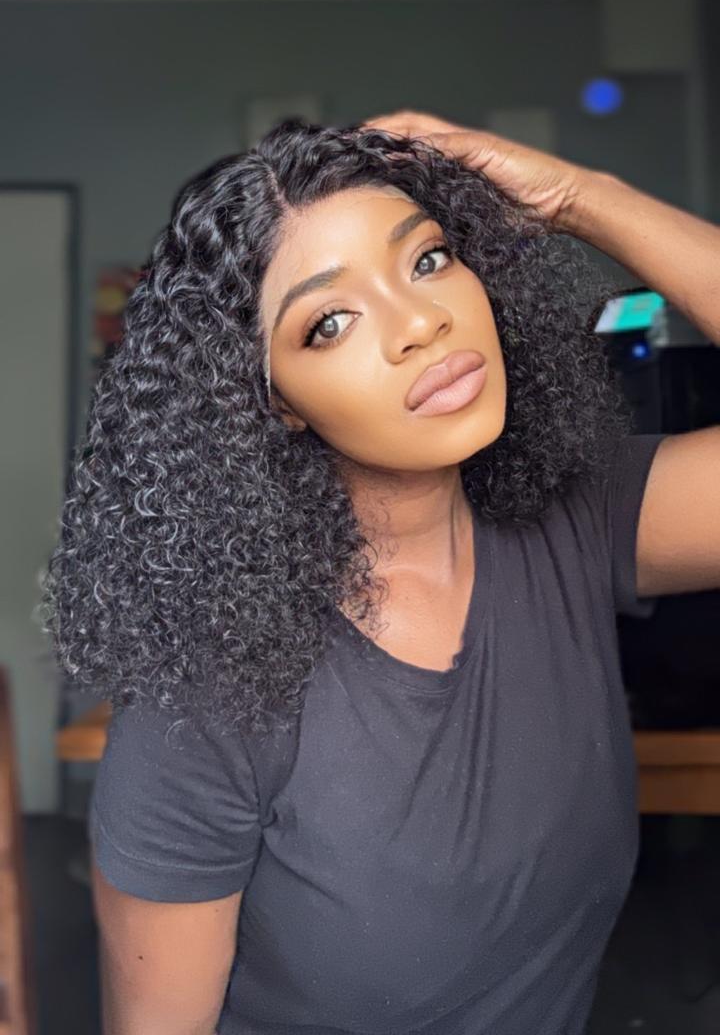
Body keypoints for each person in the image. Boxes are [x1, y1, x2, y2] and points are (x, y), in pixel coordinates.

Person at [38, 111, 720, 1034]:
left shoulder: (580, 522)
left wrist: (580, 197)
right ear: (273, 404)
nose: (419, 323)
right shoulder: (205, 701)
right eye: (329, 322)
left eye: (428, 259)